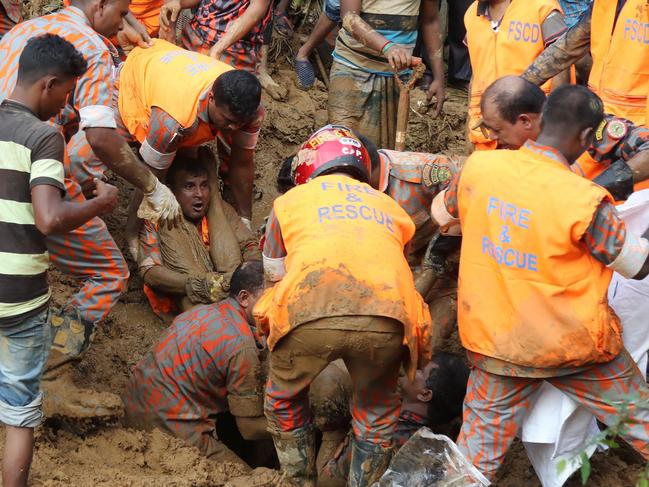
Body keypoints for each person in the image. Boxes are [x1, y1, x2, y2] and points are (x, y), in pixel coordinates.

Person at [430, 84, 649, 481]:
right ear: (586, 139)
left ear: (539, 119)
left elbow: (442, 214)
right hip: (575, 347)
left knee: (472, 463)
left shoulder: (478, 168)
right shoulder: (584, 199)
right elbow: (636, 265)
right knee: (642, 421)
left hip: (498, 347)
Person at [0, 0, 181, 371]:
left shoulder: (22, 32)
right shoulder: (93, 48)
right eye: (121, 12)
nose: (121, 23)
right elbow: (98, 138)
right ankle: (46, 368)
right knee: (110, 272)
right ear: (101, 6)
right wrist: (150, 186)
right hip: (30, 168)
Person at [255, 125, 432, 486]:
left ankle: (295, 480)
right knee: (377, 410)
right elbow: (399, 267)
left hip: (308, 311)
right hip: (388, 317)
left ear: (308, 167)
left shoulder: (287, 203)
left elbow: (272, 281)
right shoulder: (390, 205)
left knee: (283, 398)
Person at [0, 34, 119, 487]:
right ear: (48, 84)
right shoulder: (43, 136)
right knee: (19, 412)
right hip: (19, 300)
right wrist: (98, 204)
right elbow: (49, 218)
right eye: (66, 94)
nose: (66, 107)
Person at [123, 261, 269, 467]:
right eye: (271, 298)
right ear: (244, 298)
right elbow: (249, 428)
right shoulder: (241, 344)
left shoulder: (200, 312)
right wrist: (299, 424)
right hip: (167, 432)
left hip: (132, 409)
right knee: (248, 478)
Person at [116, 39, 263, 240]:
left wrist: (245, 218)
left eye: (240, 122)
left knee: (187, 149)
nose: (234, 128)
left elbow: (243, 161)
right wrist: (133, 232)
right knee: (118, 149)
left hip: (172, 64)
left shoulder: (252, 111)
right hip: (136, 76)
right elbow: (150, 179)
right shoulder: (172, 122)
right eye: (228, 121)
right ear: (211, 98)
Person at [319, 353, 470, 483]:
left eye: (419, 370)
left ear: (424, 394)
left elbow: (327, 481)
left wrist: (335, 431)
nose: (411, 369)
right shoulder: (433, 445)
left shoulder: (384, 434)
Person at [139, 157, 260, 318]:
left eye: (204, 185)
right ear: (171, 190)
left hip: (233, 292)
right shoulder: (156, 218)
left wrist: (246, 275)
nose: (199, 194)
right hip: (189, 305)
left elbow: (250, 245)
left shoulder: (220, 208)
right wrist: (197, 284)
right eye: (189, 186)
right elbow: (150, 272)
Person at [328, 0, 446, 149]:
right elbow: (349, 16)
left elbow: (430, 21)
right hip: (352, 66)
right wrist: (387, 47)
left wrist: (439, 77)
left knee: (384, 152)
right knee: (343, 144)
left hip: (397, 75)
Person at [523, 0, 648, 130]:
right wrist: (519, 87)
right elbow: (567, 48)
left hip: (639, 127)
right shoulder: (604, 4)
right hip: (602, 119)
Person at [464, 0, 569, 151]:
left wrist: (554, 125)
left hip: (529, 128)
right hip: (486, 133)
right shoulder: (471, 14)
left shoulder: (541, 7)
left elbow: (562, 64)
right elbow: (476, 69)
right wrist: (469, 127)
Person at [159, 0, 271, 73]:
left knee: (222, 98)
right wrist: (178, 4)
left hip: (233, 48)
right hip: (195, 34)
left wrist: (217, 50)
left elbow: (254, 13)